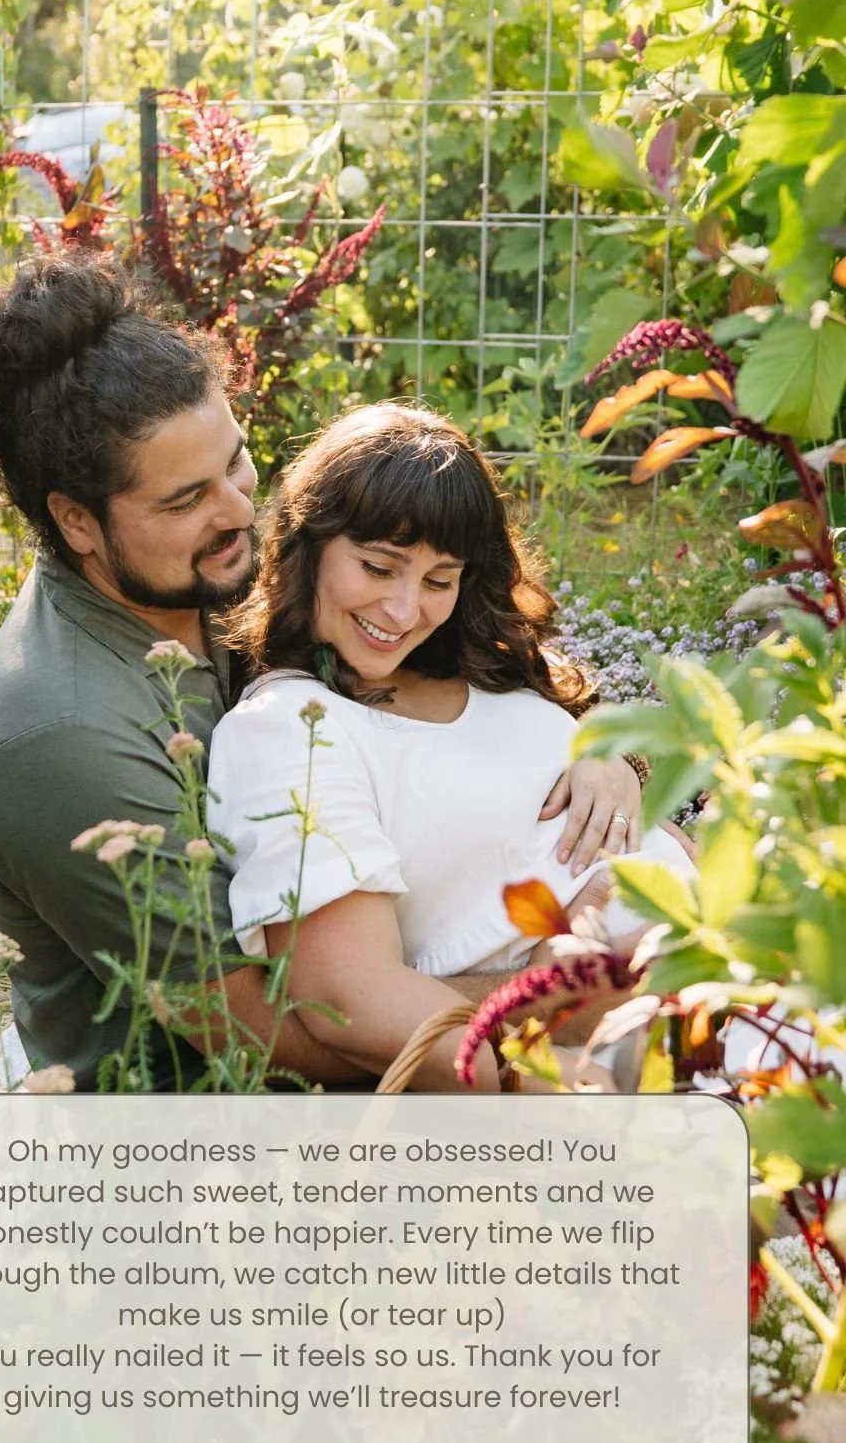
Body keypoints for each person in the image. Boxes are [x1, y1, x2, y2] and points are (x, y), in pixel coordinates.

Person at [0, 254, 648, 1091]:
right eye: (185, 499)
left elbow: (442, 647)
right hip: (194, 1117)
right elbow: (278, 1030)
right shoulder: (66, 739)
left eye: (236, 462)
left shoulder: (195, 575)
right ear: (77, 522)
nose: (240, 510)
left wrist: (600, 747)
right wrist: (567, 990)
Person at [208, 402, 698, 1091]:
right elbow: (352, 1003)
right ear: (307, 544)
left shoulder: (474, 665)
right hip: (653, 1041)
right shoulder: (289, 729)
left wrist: (613, 755)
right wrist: (581, 1077)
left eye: (439, 580)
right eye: (378, 567)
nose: (405, 610)